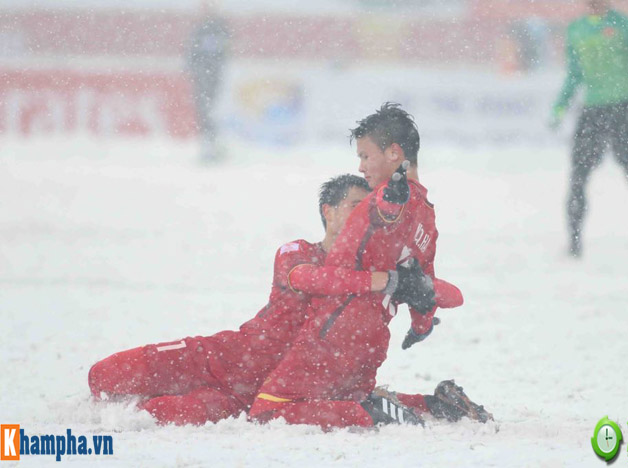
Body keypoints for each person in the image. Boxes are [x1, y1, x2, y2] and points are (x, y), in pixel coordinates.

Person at [88, 174, 455, 426]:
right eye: (355, 206)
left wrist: (420, 304)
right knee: (103, 377)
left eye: (367, 210)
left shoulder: (374, 275)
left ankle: (439, 403)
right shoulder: (299, 251)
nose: (363, 216)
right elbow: (314, 279)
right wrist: (389, 281)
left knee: (153, 413)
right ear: (327, 211)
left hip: (259, 395)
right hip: (222, 360)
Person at [249, 103, 490, 429]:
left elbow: (382, 214)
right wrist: (422, 323)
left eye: (365, 156)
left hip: (333, 330)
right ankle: (437, 405)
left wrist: (388, 201)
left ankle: (368, 412)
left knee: (265, 412)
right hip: (373, 340)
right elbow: (426, 283)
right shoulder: (428, 218)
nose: (361, 167)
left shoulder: (386, 197)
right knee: (342, 394)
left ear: (394, 154)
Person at [550, 0, 628, 257]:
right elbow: (574, 74)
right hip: (592, 112)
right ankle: (574, 245)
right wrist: (560, 106)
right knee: (578, 178)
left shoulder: (625, 25)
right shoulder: (576, 29)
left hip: (623, 110)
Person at [186, 1, 229, 162]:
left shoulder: (217, 27)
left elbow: (221, 50)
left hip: (212, 74)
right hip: (203, 74)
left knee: (211, 109)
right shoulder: (201, 28)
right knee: (204, 110)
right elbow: (193, 51)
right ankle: (209, 144)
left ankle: (214, 144)